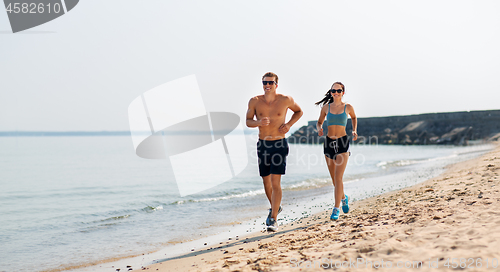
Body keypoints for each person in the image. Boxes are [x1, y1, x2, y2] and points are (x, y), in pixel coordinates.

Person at [246, 72, 303, 231]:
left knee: (275, 182)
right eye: (265, 82)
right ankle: (275, 207)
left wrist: (289, 125)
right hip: (263, 144)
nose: (267, 85)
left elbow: (299, 111)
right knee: (266, 181)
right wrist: (258, 122)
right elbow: (248, 121)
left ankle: (273, 219)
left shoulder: (285, 100)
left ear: (276, 84)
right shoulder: (255, 101)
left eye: (270, 82)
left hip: (279, 143)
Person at [315, 82, 357, 220]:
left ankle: (336, 208)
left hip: (342, 142)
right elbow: (319, 122)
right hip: (328, 143)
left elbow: (354, 117)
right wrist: (319, 129)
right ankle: (344, 198)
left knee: (338, 177)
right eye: (333, 90)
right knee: (334, 179)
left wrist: (354, 130)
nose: (336, 92)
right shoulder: (326, 107)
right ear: (331, 92)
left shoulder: (348, 107)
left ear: (343, 92)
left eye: (339, 90)